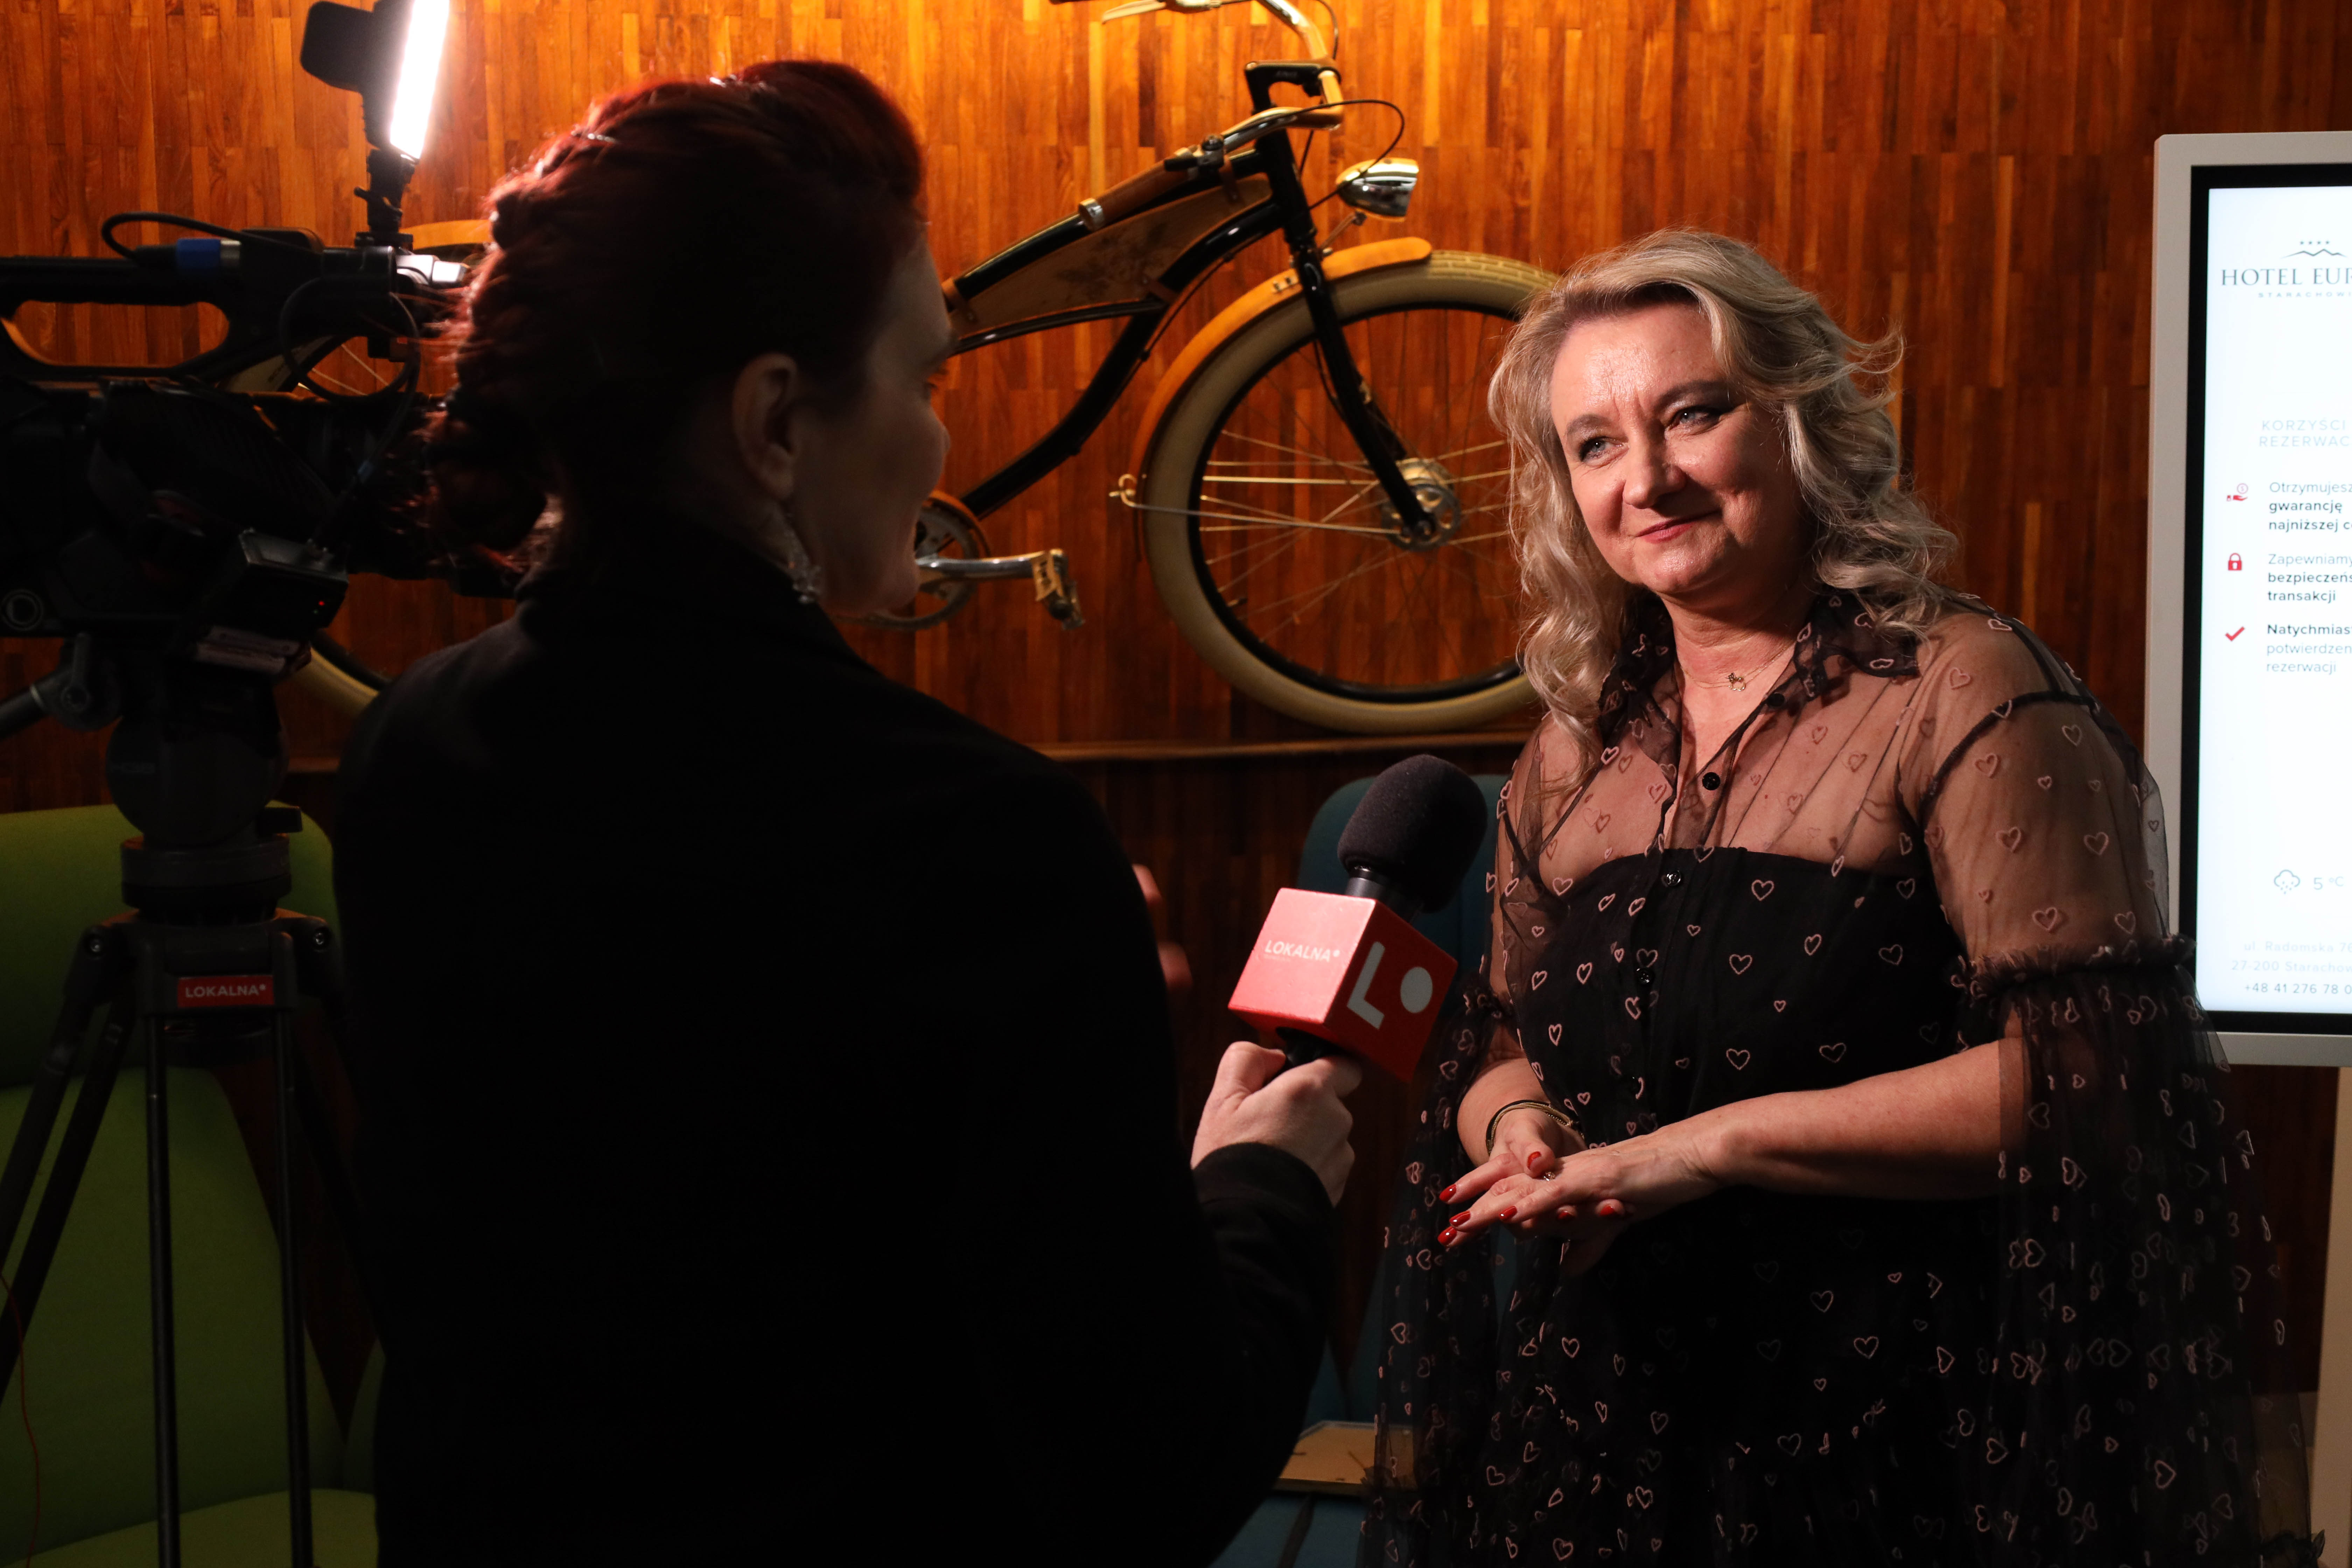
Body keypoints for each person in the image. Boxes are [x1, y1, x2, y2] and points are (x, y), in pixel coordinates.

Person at [331, 63, 1357, 1562]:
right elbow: (1155, 1471)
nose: (938, 439)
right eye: (925, 379)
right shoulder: (980, 836)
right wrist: (1262, 1187)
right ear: (773, 422)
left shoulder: (410, 747)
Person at [1360, 229, 2315, 1565]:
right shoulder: (1576, 747)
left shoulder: (1962, 688)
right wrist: (1521, 1129)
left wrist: (1704, 1148)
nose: (1648, 479)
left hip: (1890, 1425)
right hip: (1603, 1417)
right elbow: (1501, 1033)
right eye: (1595, 443)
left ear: (1802, 422)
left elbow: (2096, 1073)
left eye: (1694, 414)